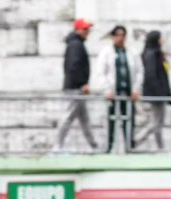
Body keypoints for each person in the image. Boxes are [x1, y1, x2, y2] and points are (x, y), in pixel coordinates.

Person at [95, 25, 140, 153]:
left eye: (123, 35)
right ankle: (109, 147)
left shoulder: (132, 52)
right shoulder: (106, 52)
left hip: (128, 92)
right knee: (111, 120)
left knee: (129, 120)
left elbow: (139, 71)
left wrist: (136, 88)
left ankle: (129, 147)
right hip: (113, 93)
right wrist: (106, 89)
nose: (121, 38)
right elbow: (101, 72)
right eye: (118, 35)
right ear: (113, 37)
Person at [56, 17, 96, 150]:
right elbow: (74, 66)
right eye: (85, 29)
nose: (87, 31)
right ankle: (57, 146)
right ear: (78, 29)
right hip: (75, 87)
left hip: (75, 86)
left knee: (84, 119)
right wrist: (82, 83)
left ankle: (94, 145)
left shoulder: (75, 44)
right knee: (68, 117)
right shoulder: (76, 45)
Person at [134, 29, 171, 150]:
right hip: (157, 93)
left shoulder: (155, 53)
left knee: (157, 122)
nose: (162, 40)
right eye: (160, 38)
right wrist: (160, 93)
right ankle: (136, 140)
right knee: (156, 122)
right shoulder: (152, 54)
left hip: (158, 92)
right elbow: (152, 75)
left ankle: (160, 148)